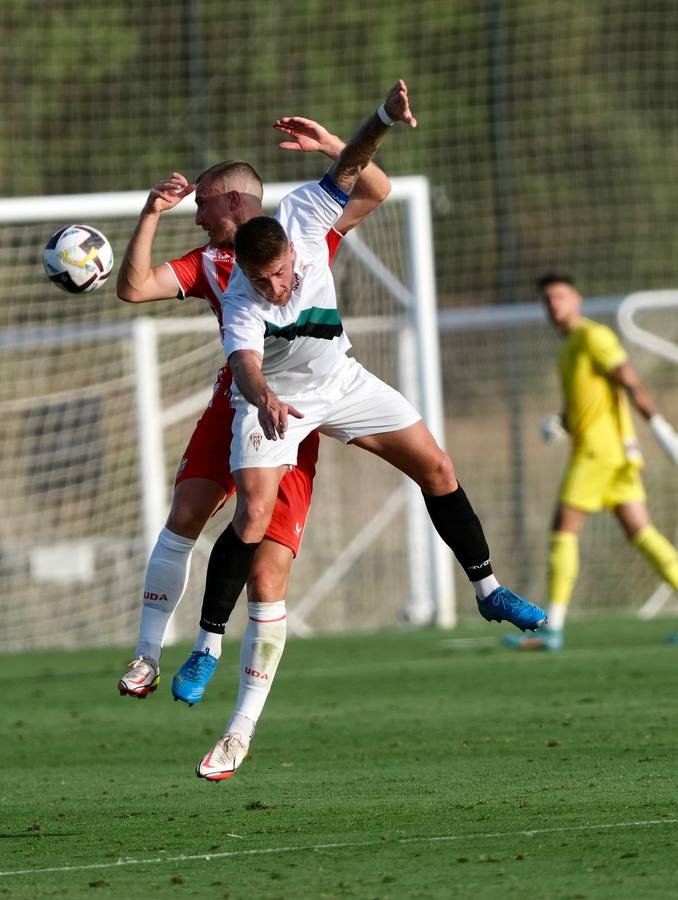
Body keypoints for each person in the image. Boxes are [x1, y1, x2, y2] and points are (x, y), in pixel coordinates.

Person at [183, 79, 547, 782]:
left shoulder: (303, 217)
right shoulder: (240, 301)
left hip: (342, 383)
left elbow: (353, 168)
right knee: (253, 514)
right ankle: (205, 642)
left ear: (293, 249)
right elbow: (248, 366)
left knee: (437, 466)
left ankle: (488, 589)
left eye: (283, 275)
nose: (278, 289)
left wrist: (382, 116)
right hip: (277, 404)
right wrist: (260, 398)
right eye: (266, 283)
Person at [115, 117, 391, 701]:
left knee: (268, 573)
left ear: (235, 200)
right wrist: (150, 214)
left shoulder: (305, 237)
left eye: (203, 205)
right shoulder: (206, 262)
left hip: (299, 411)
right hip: (239, 399)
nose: (197, 215)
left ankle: (231, 702)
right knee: (187, 512)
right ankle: (146, 656)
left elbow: (372, 189)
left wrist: (336, 145)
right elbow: (134, 287)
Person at [505, 273, 678, 652]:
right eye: (548, 299)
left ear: (577, 299)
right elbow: (587, 403)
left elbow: (630, 381)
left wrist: (662, 430)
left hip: (598, 454)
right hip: (613, 456)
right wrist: (561, 422)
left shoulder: (593, 337)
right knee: (643, 534)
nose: (554, 304)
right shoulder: (569, 349)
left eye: (560, 296)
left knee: (562, 529)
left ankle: (551, 629)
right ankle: (551, 628)